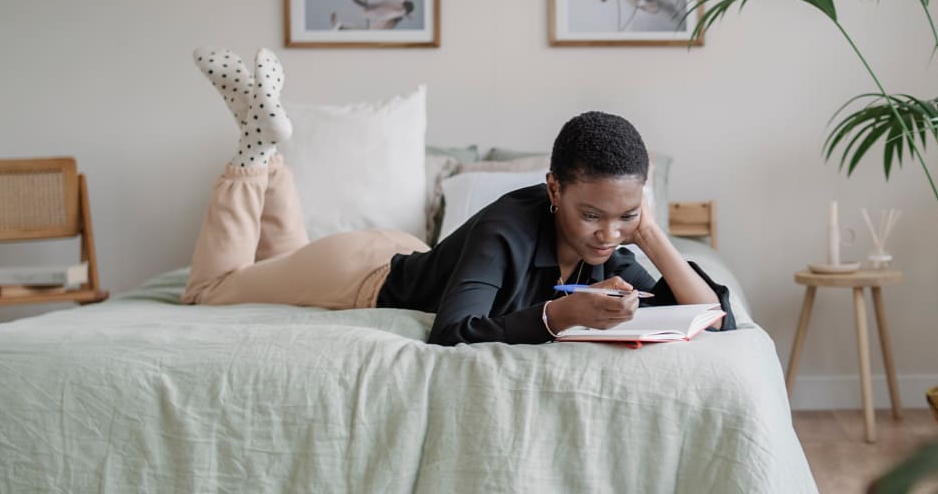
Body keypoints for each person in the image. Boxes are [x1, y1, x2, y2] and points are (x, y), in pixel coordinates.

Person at [181, 47, 734, 345]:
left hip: (399, 247)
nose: (609, 234)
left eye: (625, 217)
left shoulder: (609, 247)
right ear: (553, 189)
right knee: (213, 289)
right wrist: (559, 316)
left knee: (277, 263)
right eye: (591, 215)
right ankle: (254, 152)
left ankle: (267, 144)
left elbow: (714, 319)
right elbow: (451, 332)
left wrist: (653, 235)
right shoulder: (506, 228)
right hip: (357, 277)